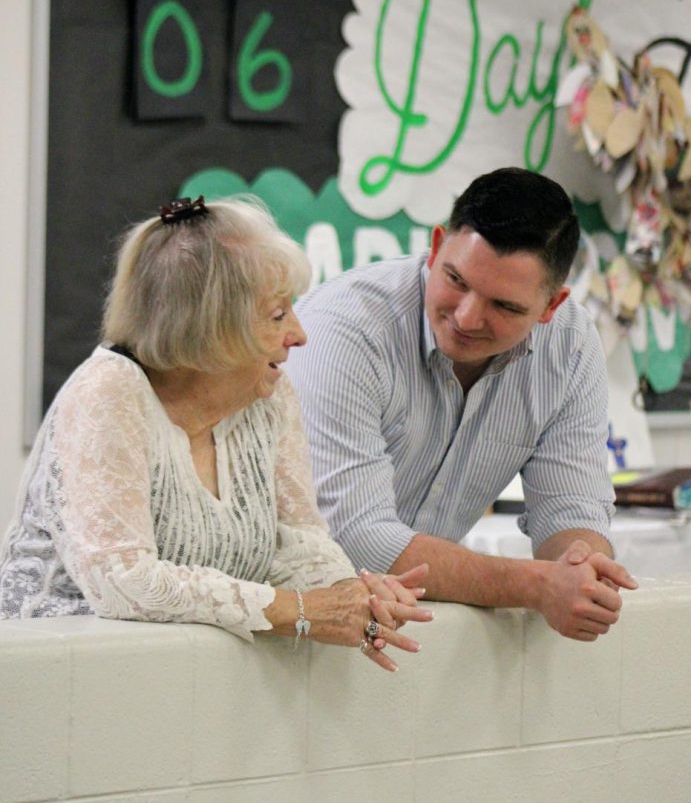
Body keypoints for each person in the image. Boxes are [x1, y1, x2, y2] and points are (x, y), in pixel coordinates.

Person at [0, 196, 432, 671]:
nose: (299, 334)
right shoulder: (109, 390)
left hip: (183, 680)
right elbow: (123, 582)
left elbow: (300, 544)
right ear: (211, 327)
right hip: (57, 678)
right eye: (277, 315)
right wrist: (300, 611)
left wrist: (351, 597)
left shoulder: (269, 395)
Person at [285, 167, 638, 643]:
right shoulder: (345, 328)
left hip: (395, 626)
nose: (468, 318)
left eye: (505, 307)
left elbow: (571, 509)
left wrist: (582, 569)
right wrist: (537, 585)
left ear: (551, 305)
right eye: (455, 279)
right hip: (279, 618)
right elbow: (358, 537)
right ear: (435, 248)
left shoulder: (570, 344)